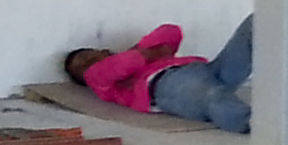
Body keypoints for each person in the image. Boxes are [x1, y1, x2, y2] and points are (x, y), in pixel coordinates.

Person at [65, 18, 251, 133]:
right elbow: (121, 64)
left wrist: (140, 51)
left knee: (253, 25)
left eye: (87, 56)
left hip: (208, 71)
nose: (86, 63)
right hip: (167, 85)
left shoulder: (139, 58)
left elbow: (171, 31)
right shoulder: (98, 81)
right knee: (213, 97)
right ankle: (260, 129)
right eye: (80, 68)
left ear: (105, 51)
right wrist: (149, 53)